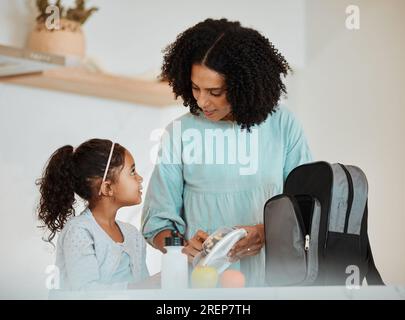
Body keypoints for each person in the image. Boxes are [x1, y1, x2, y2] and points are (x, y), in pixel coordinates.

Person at [141, 18, 313, 286]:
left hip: (274, 282)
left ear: (244, 85)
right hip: (202, 285)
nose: (201, 101)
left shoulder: (283, 125)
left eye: (215, 91)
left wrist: (264, 232)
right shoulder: (180, 132)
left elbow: (306, 207)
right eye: (196, 88)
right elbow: (158, 221)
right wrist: (181, 246)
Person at [37, 138, 158, 290]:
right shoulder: (79, 231)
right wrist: (145, 285)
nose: (140, 178)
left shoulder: (133, 235)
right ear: (107, 188)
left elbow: (145, 290)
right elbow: (86, 293)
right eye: (132, 172)